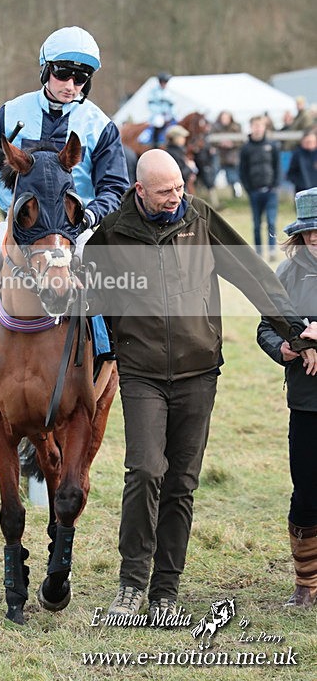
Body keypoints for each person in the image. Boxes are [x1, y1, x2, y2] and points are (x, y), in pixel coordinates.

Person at [83, 149, 317, 622]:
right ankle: (131, 584)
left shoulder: (201, 220)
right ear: (140, 191)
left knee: (181, 483)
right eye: (165, 191)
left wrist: (296, 331)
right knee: (146, 469)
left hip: (198, 371)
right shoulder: (111, 236)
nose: (176, 197)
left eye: (180, 187)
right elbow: (91, 305)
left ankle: (166, 590)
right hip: (142, 372)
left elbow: (253, 275)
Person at [0, 25, 129, 351]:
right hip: (22, 227)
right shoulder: (12, 112)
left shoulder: (99, 125)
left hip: (76, 228)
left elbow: (116, 187)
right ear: (46, 70)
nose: (72, 85)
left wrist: (89, 216)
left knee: (107, 263)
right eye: (64, 74)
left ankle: (109, 343)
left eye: (81, 78)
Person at [257, 187, 317, 607]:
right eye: (310, 233)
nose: (316, 240)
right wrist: (286, 348)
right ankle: (306, 585)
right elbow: (265, 327)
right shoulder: (285, 276)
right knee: (307, 491)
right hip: (306, 401)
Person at [239, 115, 281, 261]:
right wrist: (249, 189)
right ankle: (258, 252)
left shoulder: (272, 145)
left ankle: (272, 250)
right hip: (255, 191)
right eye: (255, 125)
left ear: (264, 127)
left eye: (260, 125)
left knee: (271, 222)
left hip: (270, 191)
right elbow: (242, 170)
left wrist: (275, 185)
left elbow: (277, 167)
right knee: (257, 224)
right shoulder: (246, 148)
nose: (258, 128)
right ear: (251, 127)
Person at [139, 72, 176, 149]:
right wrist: (160, 111)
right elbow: (151, 105)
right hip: (158, 114)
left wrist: (171, 114)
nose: (164, 84)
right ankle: (155, 142)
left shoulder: (169, 92)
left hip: (168, 114)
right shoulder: (154, 92)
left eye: (165, 82)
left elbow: (173, 105)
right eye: (163, 82)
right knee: (158, 122)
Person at [210, 111, 243, 198]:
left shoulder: (236, 127)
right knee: (213, 174)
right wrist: (220, 144)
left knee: (232, 175)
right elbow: (211, 140)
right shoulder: (215, 127)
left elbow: (241, 141)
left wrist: (232, 144)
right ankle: (212, 194)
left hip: (231, 156)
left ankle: (236, 193)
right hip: (219, 155)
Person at [164, 125, 197, 191]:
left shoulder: (177, 152)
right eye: (182, 137)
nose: (184, 139)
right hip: (178, 191)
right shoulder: (173, 154)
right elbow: (179, 175)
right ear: (176, 138)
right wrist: (190, 167)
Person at [286, 129, 317, 194]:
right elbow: (290, 174)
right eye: (307, 142)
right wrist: (300, 183)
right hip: (302, 192)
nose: (310, 144)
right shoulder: (297, 154)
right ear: (302, 142)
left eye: (311, 142)